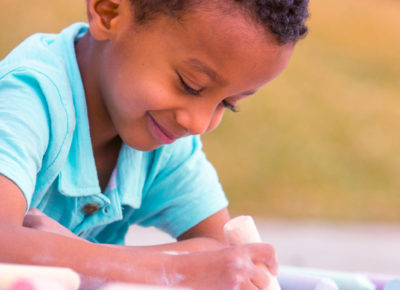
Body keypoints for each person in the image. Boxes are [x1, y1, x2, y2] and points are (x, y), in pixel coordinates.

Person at [0, 0, 309, 289]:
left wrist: (79, 255)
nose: (199, 124)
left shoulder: (160, 134)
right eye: (190, 84)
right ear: (109, 13)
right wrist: (175, 271)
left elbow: (219, 247)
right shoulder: (28, 97)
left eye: (228, 103)